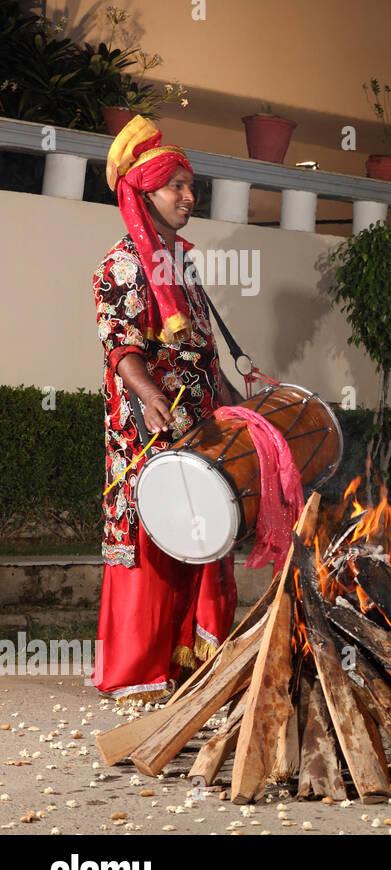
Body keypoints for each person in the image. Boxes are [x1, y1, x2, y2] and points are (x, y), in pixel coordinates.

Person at [95, 116, 240, 702]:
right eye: (177, 185)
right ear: (146, 192)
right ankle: (137, 669)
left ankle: (193, 661)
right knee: (153, 532)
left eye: (190, 185)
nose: (189, 196)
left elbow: (201, 343)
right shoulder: (122, 262)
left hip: (198, 417)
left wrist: (231, 396)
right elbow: (118, 343)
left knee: (203, 527)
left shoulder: (182, 262)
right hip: (146, 421)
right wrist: (152, 396)